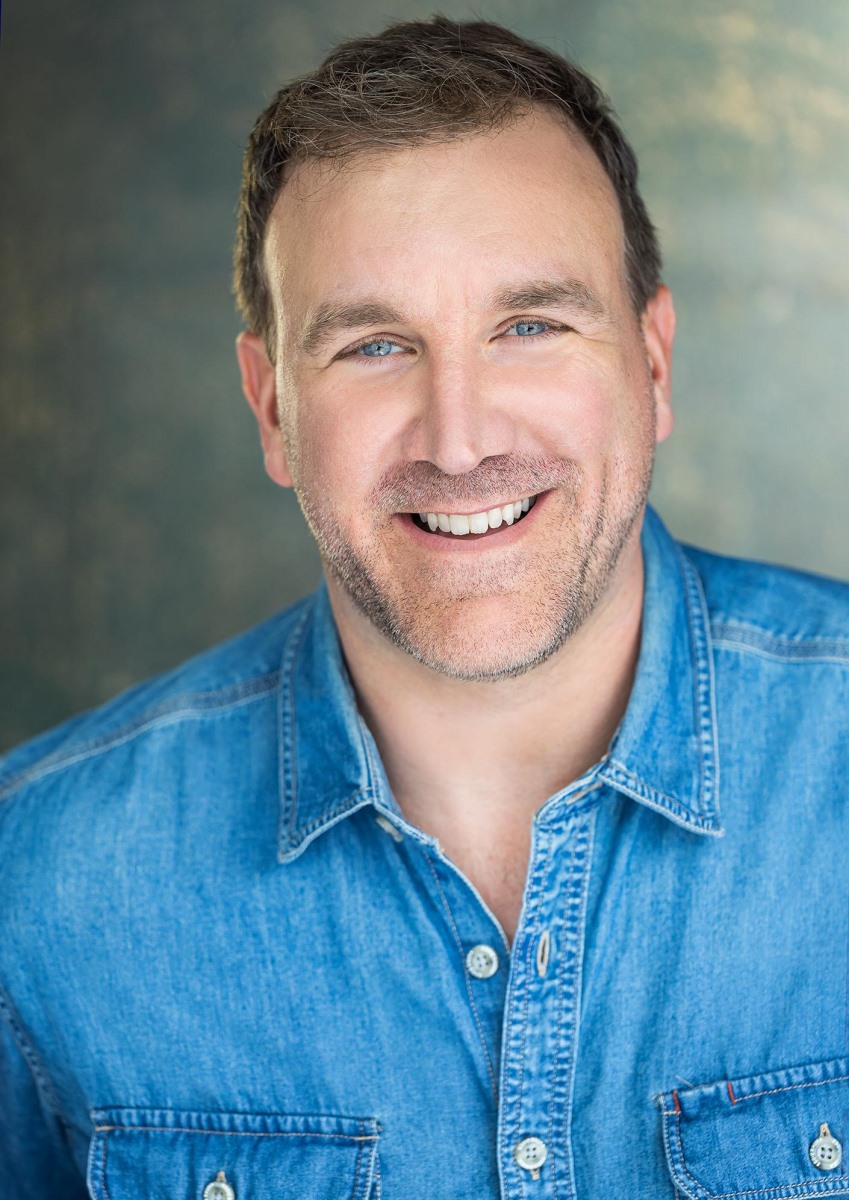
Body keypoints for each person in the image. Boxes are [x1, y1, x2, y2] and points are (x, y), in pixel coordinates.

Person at [1, 15, 847, 1199]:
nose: (459, 441)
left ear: (653, 365)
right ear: (272, 408)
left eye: (530, 326)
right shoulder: (33, 887)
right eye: (374, 346)